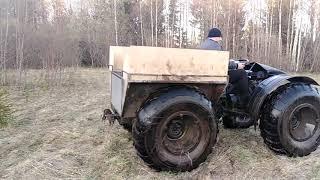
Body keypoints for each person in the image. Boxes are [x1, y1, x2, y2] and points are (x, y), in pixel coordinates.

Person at [200, 28, 249, 107]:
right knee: (242, 73)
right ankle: (244, 102)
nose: (220, 39)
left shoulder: (203, 44)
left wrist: (232, 61)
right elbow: (222, 63)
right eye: (220, 37)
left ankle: (230, 95)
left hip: (207, 71)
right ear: (217, 37)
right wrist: (237, 65)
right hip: (216, 74)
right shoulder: (215, 45)